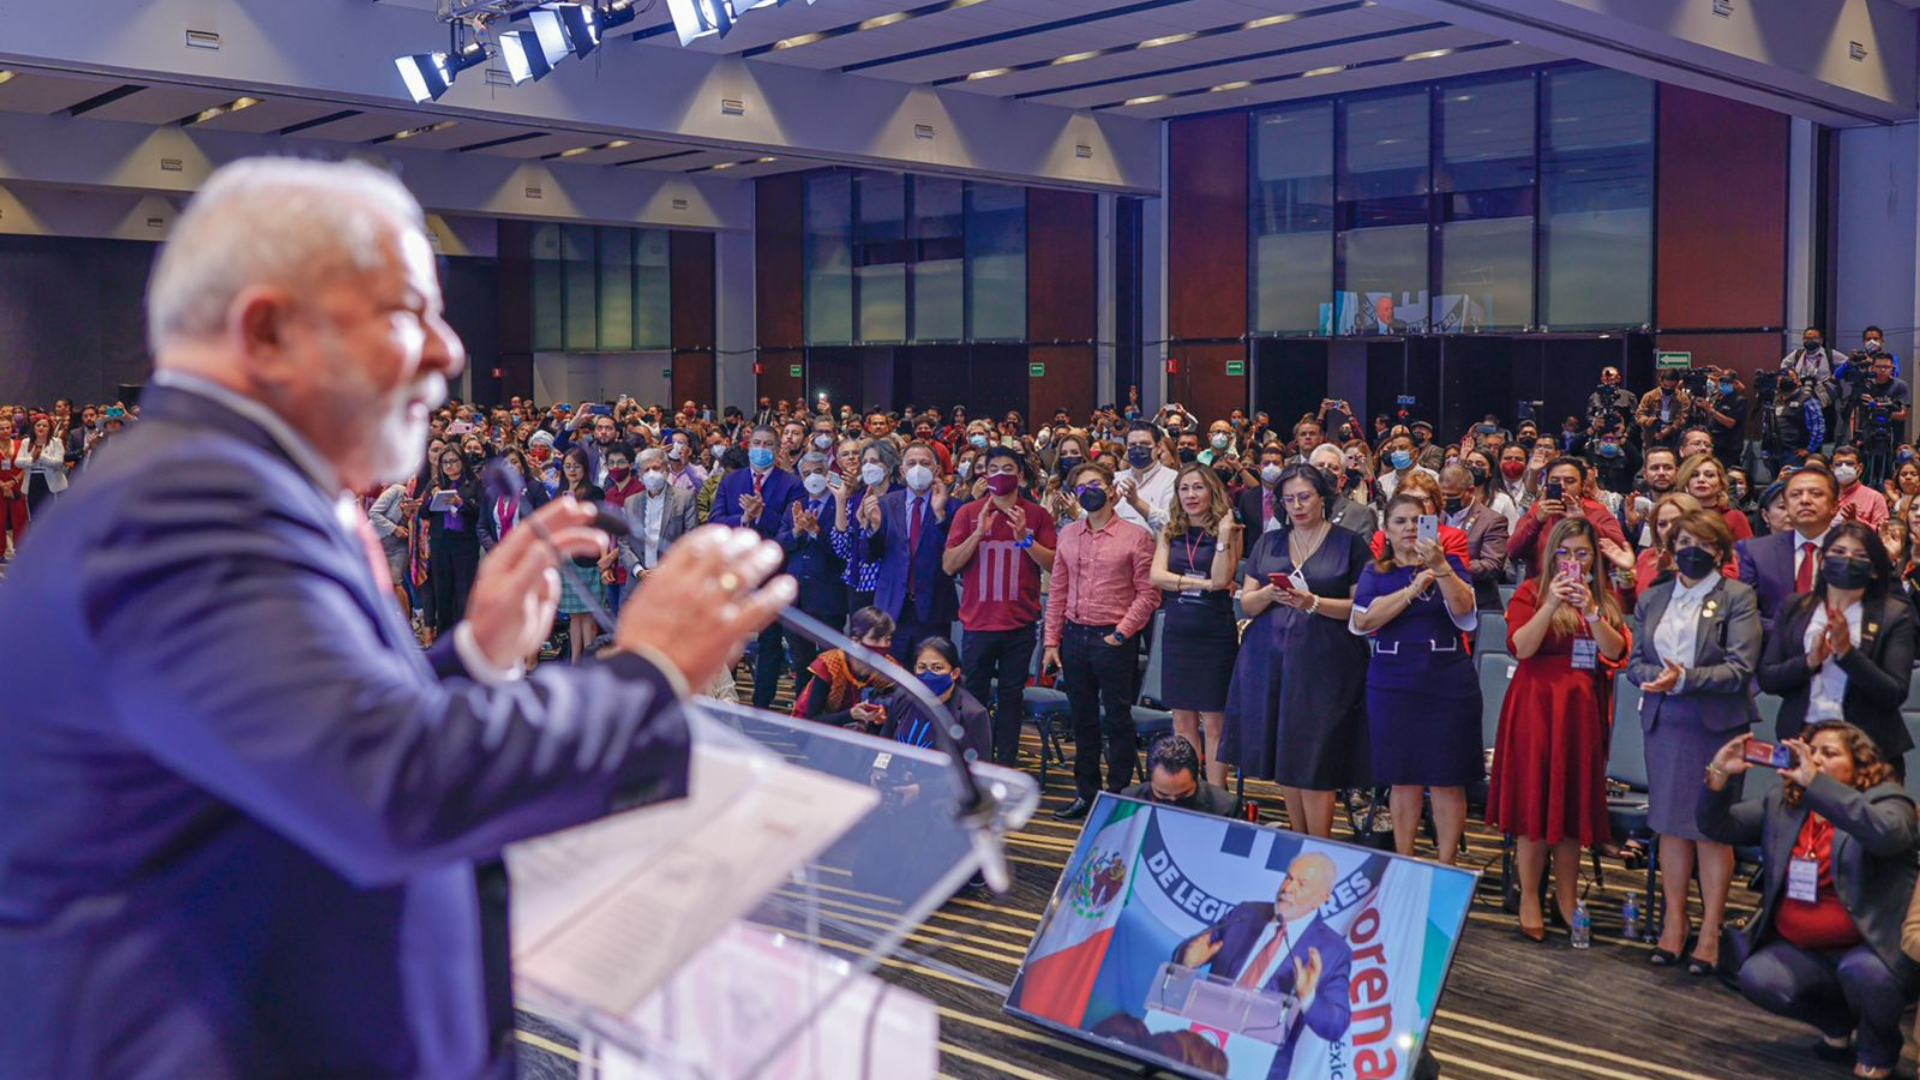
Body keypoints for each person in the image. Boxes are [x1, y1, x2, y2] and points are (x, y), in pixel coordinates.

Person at [0, 157, 797, 1079]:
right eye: (405, 312)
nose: (449, 351)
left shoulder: (214, 487)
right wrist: (649, 670)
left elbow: (296, 753)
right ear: (266, 330)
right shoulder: (190, 514)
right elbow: (387, 783)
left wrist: (472, 655)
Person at [1700, 722, 1917, 1080]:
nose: (1815, 760)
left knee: (1863, 975)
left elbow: (1888, 835)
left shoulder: (1889, 800)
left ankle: (1878, 1046)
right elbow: (1719, 827)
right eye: (1811, 751)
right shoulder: (1785, 802)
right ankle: (1836, 1021)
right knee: (1758, 976)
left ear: (1860, 763)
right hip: (1803, 947)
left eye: (1829, 754)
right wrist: (1718, 773)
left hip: (1870, 949)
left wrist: (1818, 785)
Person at [1627, 510, 1761, 975]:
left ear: (1720, 552)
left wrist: (1685, 679)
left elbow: (1741, 668)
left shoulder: (1737, 597)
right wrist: (1659, 680)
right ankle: (1675, 922)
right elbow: (1636, 662)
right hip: (1665, 722)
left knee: (1709, 830)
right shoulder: (1655, 596)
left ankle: (1710, 932)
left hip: (1715, 725)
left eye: (1703, 544)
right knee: (1670, 826)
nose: (1692, 550)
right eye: (1684, 541)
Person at [1488, 517, 1630, 941]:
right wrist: (1550, 603)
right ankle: (1529, 895)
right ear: (1552, 555)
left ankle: (1567, 898)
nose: (1573, 561)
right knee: (1534, 811)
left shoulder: (1602, 596)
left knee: (1571, 812)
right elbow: (1522, 647)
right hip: (1536, 707)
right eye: (1565, 553)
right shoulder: (1531, 591)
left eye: (1582, 553)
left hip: (1581, 711)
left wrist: (1589, 610)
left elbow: (1616, 650)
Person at [1223, 465, 1371, 838]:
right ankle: (1297, 837)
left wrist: (1314, 602)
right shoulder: (1269, 542)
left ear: (1323, 496)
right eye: (1288, 499)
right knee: (1285, 753)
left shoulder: (1348, 542)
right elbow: (1248, 603)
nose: (1297, 506)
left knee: (1315, 757)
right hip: (1270, 659)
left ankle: (1320, 843)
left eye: (1304, 497)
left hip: (1327, 661)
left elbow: (1361, 609)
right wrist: (1272, 593)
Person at [1351, 494, 1481, 863]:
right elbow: (1363, 620)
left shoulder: (1450, 563)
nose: (1409, 528)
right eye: (1400, 522)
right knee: (1402, 776)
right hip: (1393, 681)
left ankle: (1446, 864)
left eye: (1417, 521)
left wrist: (1439, 568)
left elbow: (1464, 609)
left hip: (1447, 680)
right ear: (1386, 531)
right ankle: (1403, 860)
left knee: (1447, 777)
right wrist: (1411, 589)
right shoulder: (1376, 572)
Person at [1044, 461, 1160, 821]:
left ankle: (1119, 796)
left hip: (1114, 638)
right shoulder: (1067, 534)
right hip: (1075, 637)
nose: (1088, 492)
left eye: (1095, 484)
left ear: (1111, 489)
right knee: (1082, 721)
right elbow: (1058, 590)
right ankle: (1086, 793)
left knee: (1118, 721)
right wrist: (1051, 641)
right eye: (1081, 487)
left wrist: (1122, 633)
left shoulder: (1136, 536)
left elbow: (1148, 594)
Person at [1171, 852, 1353, 1080]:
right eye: (1288, 878)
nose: (1287, 888)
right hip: (1199, 1048)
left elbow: (1336, 1025)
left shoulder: (1332, 951)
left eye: (1301, 884)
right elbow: (1187, 951)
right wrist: (1187, 960)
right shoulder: (1246, 913)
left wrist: (1308, 997)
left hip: (1256, 1067)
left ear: (1322, 898)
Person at [1756, 523, 1915, 770]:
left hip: (1869, 749)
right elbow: (1768, 678)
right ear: (1822, 560)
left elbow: (1894, 692)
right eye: (1838, 552)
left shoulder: (1894, 615)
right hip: (1804, 741)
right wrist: (1809, 662)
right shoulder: (1798, 607)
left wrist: (1847, 654)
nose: (1848, 560)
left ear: (1874, 570)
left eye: (1860, 556)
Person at [942, 446, 1058, 766]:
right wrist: (978, 533)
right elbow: (949, 565)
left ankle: (1005, 765)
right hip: (978, 623)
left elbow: (1052, 564)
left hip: (1020, 624)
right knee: (973, 699)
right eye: (994, 469)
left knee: (1011, 698)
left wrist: (1024, 538)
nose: (1001, 475)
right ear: (984, 474)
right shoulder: (969, 513)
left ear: (1020, 476)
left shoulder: (1036, 515)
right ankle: (972, 765)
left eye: (1008, 469)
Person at [1148, 465, 1242, 787]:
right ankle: (1186, 788)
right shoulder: (1170, 530)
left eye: (1198, 488)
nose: (1190, 495)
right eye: (1184, 488)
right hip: (1178, 630)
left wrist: (1224, 538)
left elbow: (1220, 579)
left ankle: (1217, 795)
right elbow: (1156, 576)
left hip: (1214, 633)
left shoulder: (1229, 530)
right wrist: (1193, 583)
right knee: (1182, 719)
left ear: (1211, 491)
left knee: (1215, 722)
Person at [711, 425, 803, 709]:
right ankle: (725, 698)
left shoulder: (791, 483)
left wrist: (762, 513)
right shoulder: (731, 481)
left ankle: (762, 704)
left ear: (777, 450)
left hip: (773, 572)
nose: (761, 449)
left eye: (768, 444)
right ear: (748, 446)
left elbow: (790, 529)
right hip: (735, 572)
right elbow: (715, 521)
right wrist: (743, 517)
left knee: (770, 642)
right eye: (756, 443)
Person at [863, 441, 958, 664]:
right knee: (891, 678)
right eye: (912, 463)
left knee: (930, 678)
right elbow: (868, 556)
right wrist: (874, 528)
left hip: (933, 607)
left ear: (936, 470)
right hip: (894, 607)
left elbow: (954, 556)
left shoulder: (952, 506)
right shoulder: (885, 504)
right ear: (903, 471)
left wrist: (940, 516)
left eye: (924, 463)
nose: (918, 468)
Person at [777, 451, 850, 702]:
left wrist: (817, 532)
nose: (812, 478)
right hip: (796, 599)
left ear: (828, 473)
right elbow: (779, 544)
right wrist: (797, 532)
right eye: (806, 473)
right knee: (801, 663)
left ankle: (832, 716)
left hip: (828, 597)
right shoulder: (793, 507)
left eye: (817, 472)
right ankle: (803, 718)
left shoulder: (841, 504)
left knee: (831, 662)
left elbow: (844, 552)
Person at [1738, 466, 1841, 626]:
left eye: (1816, 494)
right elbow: (1744, 613)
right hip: (1774, 646)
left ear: (1835, 506)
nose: (1805, 500)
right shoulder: (1756, 552)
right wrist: (1794, 635)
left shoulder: (1854, 550)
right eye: (1796, 494)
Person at [873, 636, 992, 764]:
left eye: (937, 668)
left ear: (954, 673)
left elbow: (977, 770)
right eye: (922, 667)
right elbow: (885, 743)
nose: (928, 674)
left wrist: (923, 785)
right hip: (895, 779)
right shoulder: (903, 697)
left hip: (942, 783)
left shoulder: (973, 714)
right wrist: (878, 770)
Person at [1508, 457, 1627, 575]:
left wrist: (1584, 522)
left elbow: (1621, 551)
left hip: (1591, 587)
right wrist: (1536, 522)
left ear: (1583, 485)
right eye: (1554, 481)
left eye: (1570, 481)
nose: (1562, 486)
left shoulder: (1598, 512)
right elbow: (1513, 551)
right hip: (1542, 588)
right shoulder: (1536, 513)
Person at [617, 447, 700, 589]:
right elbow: (624, 543)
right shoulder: (630, 502)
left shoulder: (685, 498)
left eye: (656, 468)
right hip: (639, 581)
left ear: (666, 470)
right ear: (639, 475)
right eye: (646, 470)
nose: (651, 473)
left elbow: (690, 541)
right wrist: (638, 571)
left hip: (673, 579)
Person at [425, 445, 484, 636]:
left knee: (463, 594)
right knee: (442, 593)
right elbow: (423, 513)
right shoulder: (436, 484)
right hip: (441, 542)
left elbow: (480, 512)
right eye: (445, 462)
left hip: (464, 543)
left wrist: (461, 504)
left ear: (462, 462)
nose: (449, 466)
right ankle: (443, 640)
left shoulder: (474, 484)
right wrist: (430, 499)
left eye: (453, 461)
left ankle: (463, 641)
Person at [1437, 464, 1510, 610]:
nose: (1445, 500)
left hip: (1477, 603)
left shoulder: (1492, 521)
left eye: (1451, 496)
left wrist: (1446, 565)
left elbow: (1492, 565)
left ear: (1470, 491)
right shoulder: (1435, 515)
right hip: (1440, 601)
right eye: (1442, 495)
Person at [1118, 734, 1243, 817]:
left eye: (1183, 795)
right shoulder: (1130, 801)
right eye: (1162, 795)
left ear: (1197, 779)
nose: (1173, 804)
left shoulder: (1225, 807)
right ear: (1150, 780)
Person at [1675, 453, 1755, 543]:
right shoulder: (1676, 515)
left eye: (1709, 475)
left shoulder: (1735, 517)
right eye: (1694, 475)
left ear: (1721, 483)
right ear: (1686, 482)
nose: (1701, 479)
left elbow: (1747, 554)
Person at [1114, 420, 1177, 532]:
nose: (1138, 449)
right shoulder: (1115, 479)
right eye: (1132, 445)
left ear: (1158, 448)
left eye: (1145, 444)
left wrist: (1136, 503)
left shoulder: (1173, 479)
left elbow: (1172, 523)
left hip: (1155, 547)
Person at [1307, 443, 1378, 535]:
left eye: (1333, 468)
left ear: (1342, 480)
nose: (1325, 471)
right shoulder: (1298, 509)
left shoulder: (1361, 515)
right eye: (1320, 465)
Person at [1831, 445, 1890, 529]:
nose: (1843, 468)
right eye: (1838, 464)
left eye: (1849, 464)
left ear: (1860, 468)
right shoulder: (1825, 496)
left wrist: (1856, 522)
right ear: (1832, 468)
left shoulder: (1875, 498)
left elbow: (1882, 532)